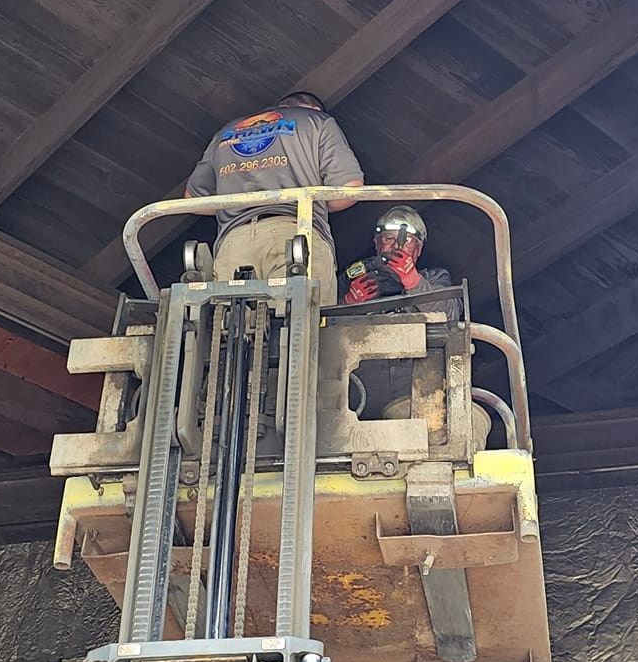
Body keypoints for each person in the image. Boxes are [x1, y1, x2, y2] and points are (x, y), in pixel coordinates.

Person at [184, 91, 362, 300]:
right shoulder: (318, 121)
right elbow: (349, 190)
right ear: (313, 110)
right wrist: (317, 203)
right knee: (305, 325)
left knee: (228, 327)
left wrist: (238, 206)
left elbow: (192, 200)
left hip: (234, 243)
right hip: (295, 236)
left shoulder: (227, 131)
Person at [341, 205, 491, 448]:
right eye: (387, 239)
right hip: (361, 397)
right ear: (377, 244)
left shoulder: (434, 279)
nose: (395, 246)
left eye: (406, 241)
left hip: (415, 395)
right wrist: (349, 302)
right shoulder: (353, 278)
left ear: (418, 249)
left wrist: (411, 280)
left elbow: (450, 312)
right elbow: (322, 324)